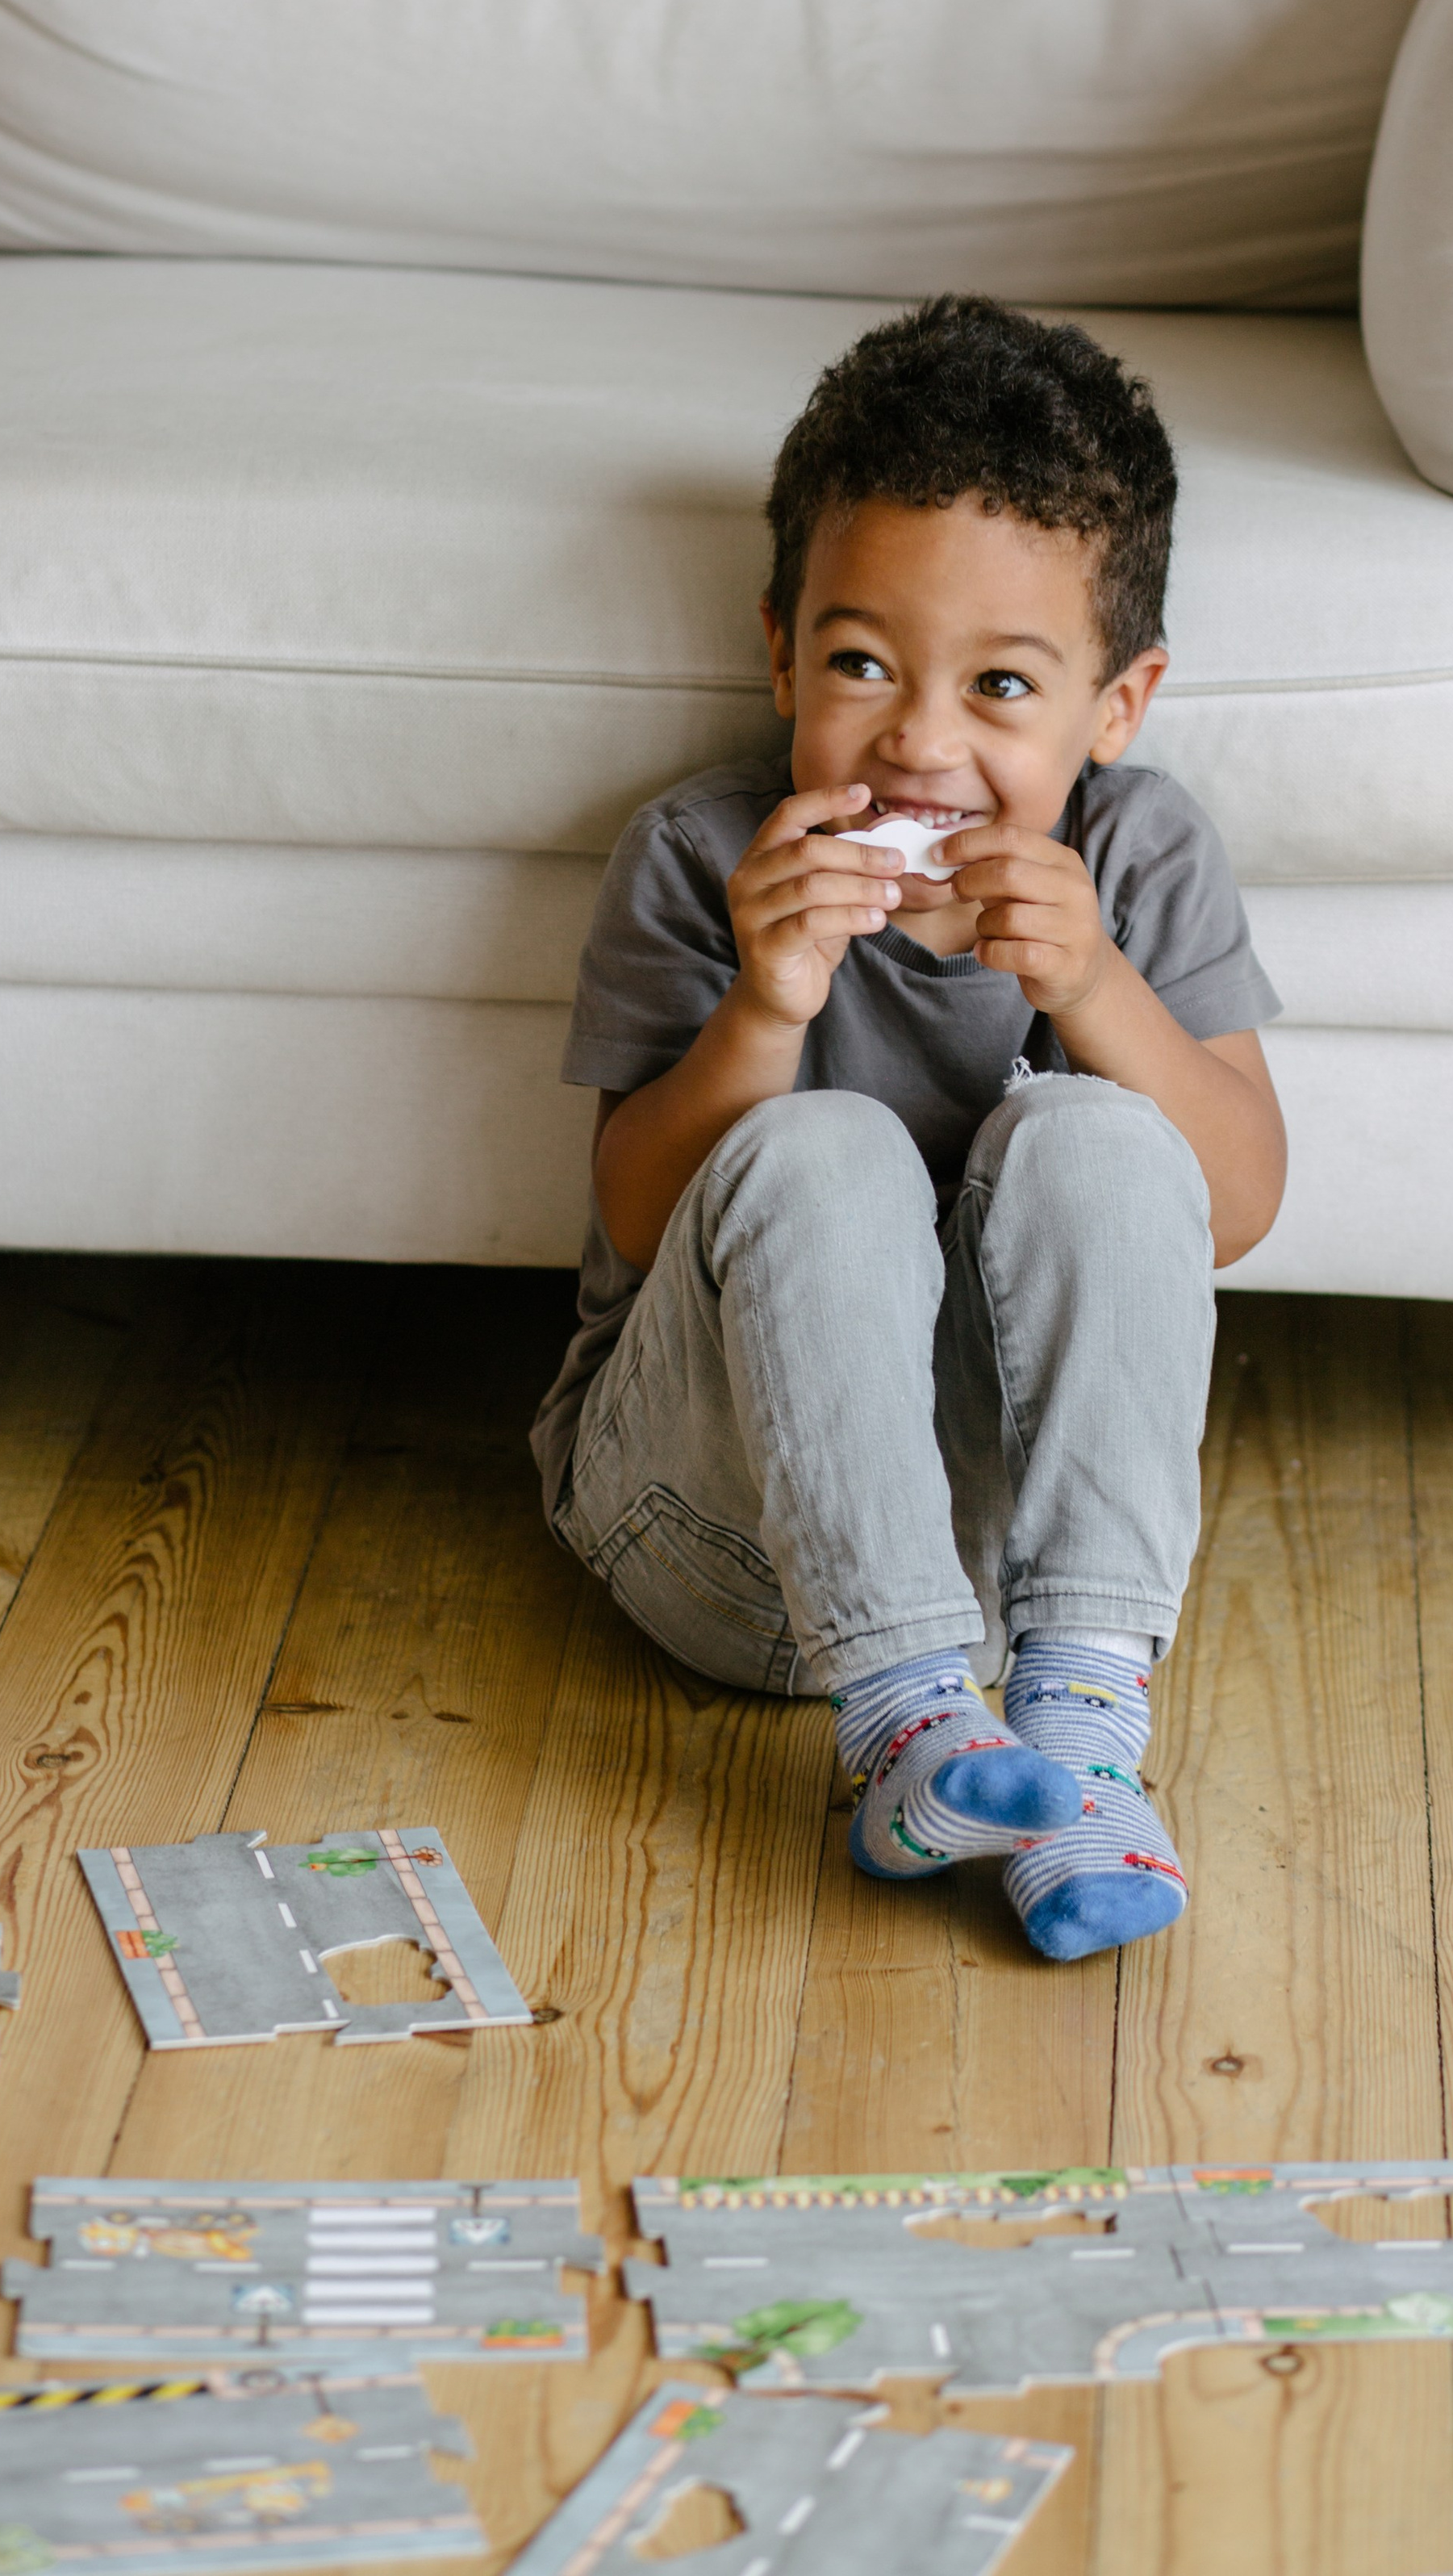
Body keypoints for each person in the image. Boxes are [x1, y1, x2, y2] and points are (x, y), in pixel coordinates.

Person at [530, 295, 1286, 1963]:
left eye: (1000, 685)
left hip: (1017, 1587)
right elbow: (639, 1215)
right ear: (780, 649)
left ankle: (1076, 1748)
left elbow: (1228, 1199)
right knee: (823, 1145)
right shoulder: (702, 858)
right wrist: (765, 1005)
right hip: (722, 1538)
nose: (918, 740)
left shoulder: (1138, 860)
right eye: (861, 662)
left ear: (1115, 702)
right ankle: (899, 1724)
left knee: (1100, 1135)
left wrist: (1090, 983)